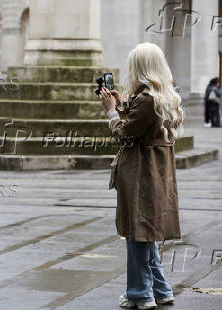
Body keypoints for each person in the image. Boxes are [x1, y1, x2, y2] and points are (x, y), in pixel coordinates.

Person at [98, 42, 183, 309]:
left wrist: (111, 111)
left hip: (141, 172)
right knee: (147, 231)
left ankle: (140, 293)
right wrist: (122, 104)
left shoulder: (147, 100)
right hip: (157, 171)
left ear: (141, 67)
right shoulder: (165, 96)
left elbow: (124, 134)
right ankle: (160, 288)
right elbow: (141, 123)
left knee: (137, 232)